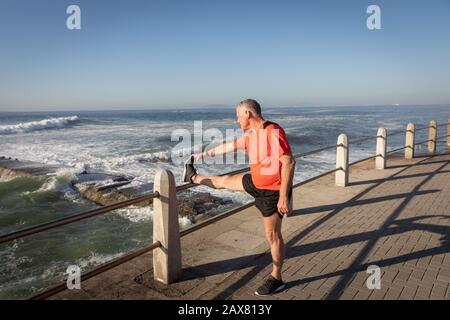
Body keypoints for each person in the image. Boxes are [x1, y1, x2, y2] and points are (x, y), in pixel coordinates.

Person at [183, 99, 296, 296]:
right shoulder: (250, 136)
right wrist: (201, 155)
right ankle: (192, 176)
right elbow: (226, 147)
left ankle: (276, 278)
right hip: (255, 182)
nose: (236, 120)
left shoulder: (272, 131)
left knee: (272, 236)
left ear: (247, 113)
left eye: (237, 116)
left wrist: (283, 197)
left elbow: (288, 163)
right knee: (224, 180)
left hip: (272, 193)